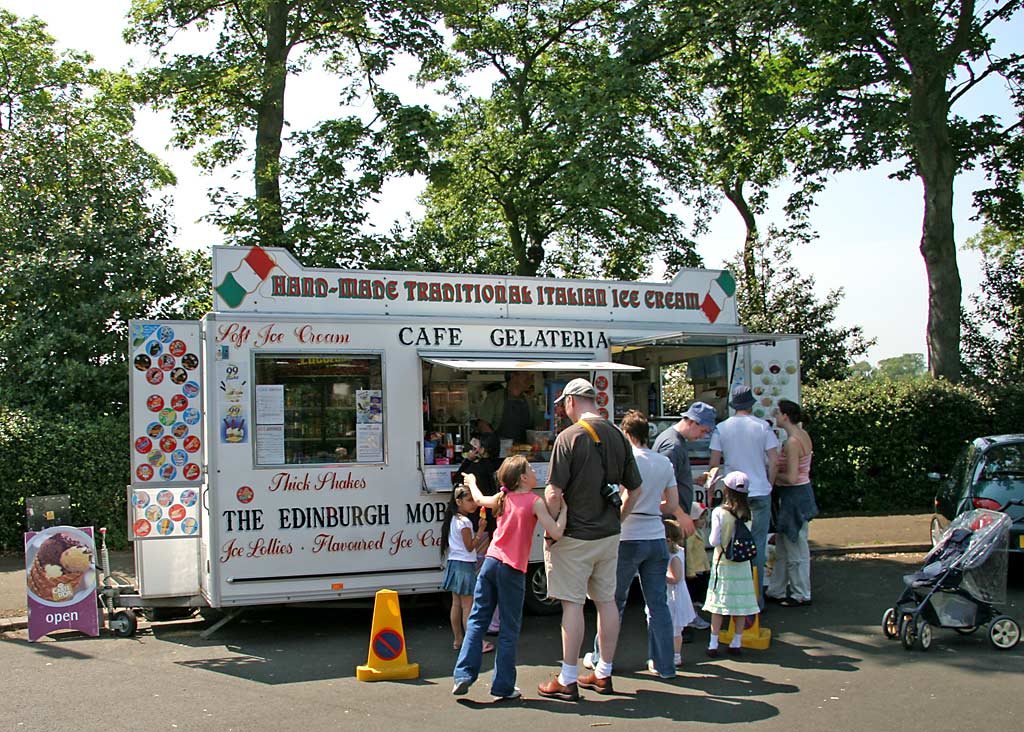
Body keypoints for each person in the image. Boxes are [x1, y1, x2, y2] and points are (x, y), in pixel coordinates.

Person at [538, 378, 642, 700]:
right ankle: (603, 673)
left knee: (572, 605)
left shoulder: (568, 438)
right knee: (606, 602)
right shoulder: (618, 435)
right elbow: (635, 489)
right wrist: (619, 518)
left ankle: (568, 678)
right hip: (608, 535)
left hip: (574, 536)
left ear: (570, 402)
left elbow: (554, 491)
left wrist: (551, 529)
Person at [452, 458, 567, 700]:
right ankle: (502, 686)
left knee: (477, 620)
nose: (535, 472)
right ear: (523, 478)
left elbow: (481, 498)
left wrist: (472, 481)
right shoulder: (535, 502)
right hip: (513, 569)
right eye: (531, 470)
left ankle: (463, 674)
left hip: (491, 563)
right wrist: (565, 511)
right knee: (508, 628)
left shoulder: (502, 498)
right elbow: (555, 532)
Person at [584, 410, 680, 679]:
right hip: (656, 535)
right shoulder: (663, 463)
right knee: (657, 603)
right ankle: (664, 664)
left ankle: (601, 658)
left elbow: (624, 496)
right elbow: (672, 505)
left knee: (612, 600)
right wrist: (652, 507)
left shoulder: (625, 460)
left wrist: (621, 518)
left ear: (626, 434)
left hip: (627, 535)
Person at [708, 385, 779, 608]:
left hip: (734, 494)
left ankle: (732, 599)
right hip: (759, 491)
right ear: (751, 404)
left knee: (729, 543)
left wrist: (711, 490)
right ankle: (756, 599)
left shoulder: (721, 428)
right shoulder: (763, 427)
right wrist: (769, 483)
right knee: (756, 544)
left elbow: (714, 463)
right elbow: (775, 460)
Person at [766, 399, 819, 607]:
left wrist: (770, 479)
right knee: (783, 544)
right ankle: (777, 589)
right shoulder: (802, 435)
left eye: (777, 413)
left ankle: (801, 593)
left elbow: (791, 477)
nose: (775, 416)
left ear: (785, 416)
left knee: (795, 545)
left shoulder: (792, 442)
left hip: (794, 495)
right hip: (800, 494)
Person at [703, 471, 760, 657]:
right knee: (741, 604)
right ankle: (736, 642)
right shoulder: (748, 513)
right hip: (742, 564)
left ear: (726, 490)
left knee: (718, 605)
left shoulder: (720, 512)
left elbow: (713, 540)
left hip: (723, 562)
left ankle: (713, 643)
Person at [440, 485, 494, 653]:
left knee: (456, 604)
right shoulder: (465, 522)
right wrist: (481, 530)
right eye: (469, 500)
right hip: (464, 565)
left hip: (453, 563)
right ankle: (474, 643)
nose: (474, 504)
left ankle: (458, 640)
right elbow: (470, 546)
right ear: (458, 501)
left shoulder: (453, 519)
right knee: (468, 606)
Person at [652, 401, 717, 511]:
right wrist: (681, 516)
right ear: (692, 422)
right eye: (703, 431)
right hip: (671, 520)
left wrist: (692, 480)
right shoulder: (672, 446)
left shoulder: (676, 441)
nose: (702, 436)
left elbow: (672, 478)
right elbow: (662, 488)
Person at [661, 518, 696, 667]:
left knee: (675, 630)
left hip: (674, 596)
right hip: (673, 595)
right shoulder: (678, 551)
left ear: (668, 540)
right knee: (673, 629)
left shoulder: (674, 557)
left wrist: (659, 575)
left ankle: (676, 656)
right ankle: (673, 654)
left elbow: (675, 578)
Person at [477, 371, 535, 444]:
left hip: (525, 451)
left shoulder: (530, 401)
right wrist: (494, 443)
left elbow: (538, 428)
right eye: (525, 374)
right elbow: (483, 424)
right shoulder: (495, 398)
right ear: (512, 376)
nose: (528, 378)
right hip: (499, 451)